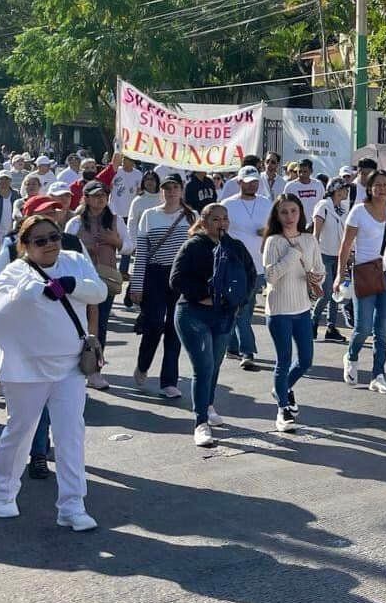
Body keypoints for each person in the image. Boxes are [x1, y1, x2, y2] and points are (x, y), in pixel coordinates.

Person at [0, 215, 106, 530]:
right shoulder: (15, 273)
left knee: (71, 435)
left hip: (70, 367)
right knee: (21, 432)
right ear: (25, 246)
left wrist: (72, 285)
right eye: (40, 241)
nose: (50, 244)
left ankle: (72, 505)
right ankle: (4, 493)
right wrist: (29, 294)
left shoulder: (76, 260)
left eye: (54, 237)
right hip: (27, 369)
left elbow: (100, 292)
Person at [170, 203, 257, 447]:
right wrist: (204, 296)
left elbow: (250, 276)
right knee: (204, 367)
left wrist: (239, 302)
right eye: (216, 219)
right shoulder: (194, 246)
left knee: (215, 364)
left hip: (224, 316)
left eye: (225, 219)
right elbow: (176, 279)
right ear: (205, 221)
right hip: (193, 314)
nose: (222, 223)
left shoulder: (235, 247)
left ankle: (207, 406)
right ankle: (200, 423)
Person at [333, 171, 386, 395]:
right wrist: (340, 274)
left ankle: (378, 375)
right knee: (363, 327)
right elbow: (346, 246)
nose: (382, 189)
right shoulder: (358, 212)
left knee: (382, 328)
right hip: (365, 272)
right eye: (377, 185)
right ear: (370, 188)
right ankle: (352, 354)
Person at [126, 176, 194, 399]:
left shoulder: (191, 216)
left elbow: (198, 251)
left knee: (175, 328)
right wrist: (137, 286)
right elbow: (142, 252)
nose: (171, 192)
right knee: (153, 324)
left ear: (182, 190)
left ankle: (169, 381)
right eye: (167, 188)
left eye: (175, 187)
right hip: (155, 274)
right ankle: (143, 364)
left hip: (181, 277)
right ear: (161, 191)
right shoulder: (150, 215)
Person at [263, 194, 326, 432]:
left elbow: (319, 269)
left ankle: (283, 387)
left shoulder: (310, 240)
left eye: (293, 211)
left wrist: (316, 276)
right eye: (284, 212)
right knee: (283, 359)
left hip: (302, 308)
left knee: (306, 360)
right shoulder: (274, 242)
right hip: (279, 310)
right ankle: (282, 408)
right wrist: (293, 255)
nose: (289, 217)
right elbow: (270, 276)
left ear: (300, 213)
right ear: (277, 216)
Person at [65, 180, 129, 352]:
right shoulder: (76, 223)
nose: (101, 199)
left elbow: (130, 246)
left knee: (101, 323)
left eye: (104, 195)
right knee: (79, 320)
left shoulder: (116, 221)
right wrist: (85, 250)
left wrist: (115, 241)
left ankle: (96, 364)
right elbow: (64, 249)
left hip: (105, 280)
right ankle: (79, 361)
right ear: (86, 198)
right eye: (96, 196)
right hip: (80, 280)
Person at [221, 166, 271, 371]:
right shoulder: (227, 205)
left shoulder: (266, 203)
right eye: (248, 181)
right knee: (242, 307)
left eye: (255, 180)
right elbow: (219, 231)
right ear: (239, 182)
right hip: (235, 264)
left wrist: (267, 231)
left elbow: (276, 227)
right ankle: (247, 351)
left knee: (244, 308)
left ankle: (232, 346)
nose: (252, 184)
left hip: (259, 265)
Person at [311, 179, 350, 343]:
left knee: (336, 293)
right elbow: (316, 233)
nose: (347, 191)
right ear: (337, 190)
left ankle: (331, 327)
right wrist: (313, 257)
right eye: (344, 189)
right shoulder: (323, 206)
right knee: (326, 293)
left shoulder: (343, 209)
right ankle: (312, 322)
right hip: (324, 255)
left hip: (339, 255)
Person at [0, 172, 20, 242]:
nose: (4, 181)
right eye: (1, 179)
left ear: (10, 181)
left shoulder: (16, 194)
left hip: (13, 231)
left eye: (7, 179)